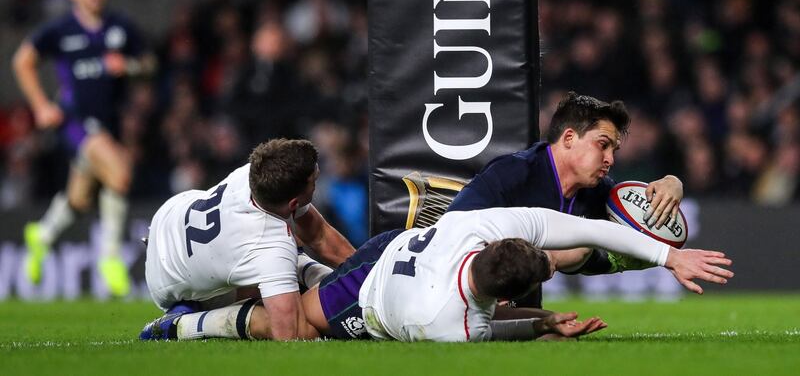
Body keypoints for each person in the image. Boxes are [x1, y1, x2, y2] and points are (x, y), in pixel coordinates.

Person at [141, 205, 732, 342]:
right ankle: (181, 328)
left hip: (388, 249)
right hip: (366, 298)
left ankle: (256, 282)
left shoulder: (472, 228)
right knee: (289, 326)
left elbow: (577, 228)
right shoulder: (452, 324)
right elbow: (497, 324)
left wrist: (663, 255)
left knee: (293, 291)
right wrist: (544, 322)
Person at [446, 91, 685, 307]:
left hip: (522, 311)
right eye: (603, 145)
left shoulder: (599, 192)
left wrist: (673, 183)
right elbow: (452, 233)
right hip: (464, 301)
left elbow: (592, 258)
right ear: (569, 138)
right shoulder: (510, 175)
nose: (610, 159)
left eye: (614, 150)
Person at [12, 0, 156, 296]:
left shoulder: (120, 27)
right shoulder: (60, 31)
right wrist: (40, 106)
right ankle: (109, 257)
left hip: (110, 122)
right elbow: (22, 61)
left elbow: (150, 64)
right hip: (75, 120)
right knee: (120, 173)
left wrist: (131, 66)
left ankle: (42, 235)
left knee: (80, 198)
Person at [142, 138, 355, 341]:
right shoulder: (269, 245)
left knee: (288, 257)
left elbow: (319, 236)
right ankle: (181, 325)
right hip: (167, 283)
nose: (318, 175)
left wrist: (367, 274)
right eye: (314, 181)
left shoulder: (255, 173)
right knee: (266, 320)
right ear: (292, 203)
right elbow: (292, 334)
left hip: (169, 216)